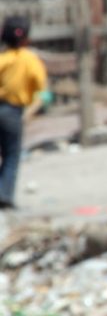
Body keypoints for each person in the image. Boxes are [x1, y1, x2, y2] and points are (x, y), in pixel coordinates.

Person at [0, 17, 47, 210]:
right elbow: (43, 91)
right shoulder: (30, 60)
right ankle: (4, 195)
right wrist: (32, 111)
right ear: (27, 38)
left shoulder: (2, 59)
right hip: (12, 112)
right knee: (11, 154)